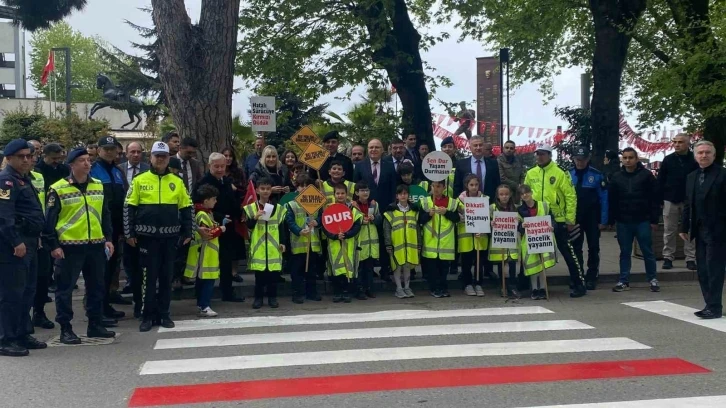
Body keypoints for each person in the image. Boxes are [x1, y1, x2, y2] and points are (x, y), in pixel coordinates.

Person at [44, 147, 116, 344]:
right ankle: (66, 328)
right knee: (64, 289)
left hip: (95, 244)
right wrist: (53, 245)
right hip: (69, 246)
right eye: (82, 160)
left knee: (96, 287)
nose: (87, 163)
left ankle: (95, 324)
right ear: (72, 164)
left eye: (88, 160)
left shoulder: (98, 185)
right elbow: (49, 220)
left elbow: (105, 214)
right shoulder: (58, 188)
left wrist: (108, 238)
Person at [124, 141, 193, 332]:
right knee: (147, 278)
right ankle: (147, 315)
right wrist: (129, 233)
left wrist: (189, 231)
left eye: (163, 156)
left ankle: (164, 314)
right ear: (151, 157)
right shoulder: (139, 180)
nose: (160, 159)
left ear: (168, 158)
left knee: (166, 278)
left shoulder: (177, 182)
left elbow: (187, 208)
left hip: (170, 238)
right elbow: (128, 207)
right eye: (157, 156)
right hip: (146, 238)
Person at [0, 140, 47, 356]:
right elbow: (4, 217)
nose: (27, 159)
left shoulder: (24, 179)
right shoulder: (6, 181)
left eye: (29, 155)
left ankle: (21, 333)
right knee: (12, 293)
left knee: (28, 290)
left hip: (29, 240)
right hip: (13, 245)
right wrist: (16, 241)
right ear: (9, 158)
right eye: (21, 156)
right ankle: (6, 339)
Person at [524, 145, 585, 297]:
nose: (539, 157)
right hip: (537, 219)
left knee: (568, 252)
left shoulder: (560, 173)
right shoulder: (531, 173)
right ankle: (530, 285)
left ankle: (579, 284)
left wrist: (570, 220)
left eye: (543, 154)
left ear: (550, 155)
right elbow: (524, 194)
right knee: (533, 252)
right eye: (537, 154)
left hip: (557, 219)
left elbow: (570, 196)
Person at [680, 140, 726, 319]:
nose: (704, 155)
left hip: (719, 229)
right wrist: (684, 226)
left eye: (707, 152)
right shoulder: (691, 177)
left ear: (714, 156)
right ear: (695, 156)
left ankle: (714, 306)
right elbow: (688, 204)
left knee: (714, 269)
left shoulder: (722, 175)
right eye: (700, 153)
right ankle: (709, 303)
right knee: (703, 269)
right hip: (699, 229)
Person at [193, 153, 246, 303]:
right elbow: (198, 206)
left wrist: (240, 213)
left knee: (226, 261)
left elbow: (233, 201)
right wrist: (219, 216)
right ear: (210, 166)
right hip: (209, 227)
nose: (220, 169)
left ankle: (227, 292)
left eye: (222, 166)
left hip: (227, 228)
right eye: (216, 166)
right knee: (204, 263)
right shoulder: (203, 183)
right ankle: (201, 295)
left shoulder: (227, 181)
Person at [608, 147, 660, 293]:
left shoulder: (647, 176)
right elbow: (612, 200)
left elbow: (654, 199)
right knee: (624, 252)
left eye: (631, 157)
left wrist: (654, 220)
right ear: (622, 160)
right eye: (625, 158)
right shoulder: (616, 177)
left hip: (642, 220)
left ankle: (653, 279)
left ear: (636, 159)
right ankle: (623, 280)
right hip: (623, 221)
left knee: (647, 251)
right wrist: (611, 220)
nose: (628, 160)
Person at [90, 136, 130, 321]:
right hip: (98, 228)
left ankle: (105, 305)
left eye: (112, 149)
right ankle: (97, 310)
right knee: (99, 271)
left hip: (114, 227)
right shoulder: (92, 170)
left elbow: (123, 200)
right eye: (105, 148)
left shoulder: (117, 171)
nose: (109, 151)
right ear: (98, 150)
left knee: (110, 268)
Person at [354, 139, 396, 282]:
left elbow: (393, 189)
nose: (374, 150)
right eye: (371, 147)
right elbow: (356, 188)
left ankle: (385, 270)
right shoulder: (359, 166)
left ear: (382, 149)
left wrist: (391, 207)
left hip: (384, 210)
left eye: (377, 147)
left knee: (384, 240)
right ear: (368, 149)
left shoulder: (390, 166)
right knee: (367, 241)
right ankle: (369, 271)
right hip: (364, 211)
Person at [243, 177, 287, 309]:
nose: (265, 191)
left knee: (273, 277)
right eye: (262, 188)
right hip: (259, 248)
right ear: (257, 190)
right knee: (260, 278)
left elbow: (282, 227)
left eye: (268, 189)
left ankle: (272, 298)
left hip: (274, 248)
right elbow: (248, 227)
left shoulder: (278, 208)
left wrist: (283, 242)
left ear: (271, 190)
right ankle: (258, 298)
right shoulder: (251, 208)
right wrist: (255, 217)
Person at [569, 146, 608, 290]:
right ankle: (577, 276)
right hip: (575, 218)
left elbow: (604, 199)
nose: (580, 162)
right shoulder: (568, 175)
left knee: (593, 247)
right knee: (575, 248)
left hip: (592, 218)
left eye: (583, 159)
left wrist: (603, 220)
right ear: (573, 159)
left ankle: (592, 276)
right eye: (577, 159)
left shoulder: (596, 175)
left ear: (588, 159)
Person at [659, 133, 698, 271]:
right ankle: (668, 257)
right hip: (670, 199)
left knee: (690, 229)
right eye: (674, 142)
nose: (676, 144)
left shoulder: (695, 159)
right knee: (669, 230)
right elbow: (661, 180)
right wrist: (660, 199)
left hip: (689, 199)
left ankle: (691, 258)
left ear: (688, 143)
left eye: (680, 142)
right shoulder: (668, 159)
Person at [185, 184, 224, 317]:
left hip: (208, 254)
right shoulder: (202, 214)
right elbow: (208, 234)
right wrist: (221, 229)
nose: (215, 201)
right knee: (207, 282)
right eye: (213, 199)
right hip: (205, 254)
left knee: (205, 281)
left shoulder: (206, 213)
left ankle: (202, 305)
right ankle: (204, 306)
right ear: (205, 200)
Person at [320, 183, 362, 303]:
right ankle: (337, 292)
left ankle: (346, 292)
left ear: (347, 194)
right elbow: (325, 227)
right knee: (336, 270)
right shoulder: (329, 209)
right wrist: (334, 236)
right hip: (334, 245)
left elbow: (357, 225)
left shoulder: (353, 209)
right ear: (334, 195)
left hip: (349, 245)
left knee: (348, 269)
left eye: (342, 193)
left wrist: (347, 234)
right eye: (337, 193)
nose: (340, 195)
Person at [284, 174, 322, 304]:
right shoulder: (291, 205)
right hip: (298, 243)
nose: (305, 189)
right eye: (302, 186)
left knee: (312, 270)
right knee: (297, 271)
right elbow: (289, 221)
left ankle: (312, 292)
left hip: (312, 243)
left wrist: (317, 222)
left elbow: (321, 217)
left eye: (308, 186)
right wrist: (299, 230)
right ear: (297, 187)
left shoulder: (316, 202)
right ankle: (297, 293)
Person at [420, 179, 459, 298]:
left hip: (446, 242)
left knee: (444, 268)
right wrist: (428, 215)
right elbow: (420, 220)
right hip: (430, 241)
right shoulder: (425, 202)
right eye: (433, 186)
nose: (436, 189)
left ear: (444, 188)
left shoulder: (452, 202)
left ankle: (443, 287)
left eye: (439, 186)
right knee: (432, 269)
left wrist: (446, 212)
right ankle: (434, 288)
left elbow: (457, 218)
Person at [518, 184, 557, 300]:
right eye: (522, 193)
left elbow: (552, 220)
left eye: (527, 192)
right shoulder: (519, 210)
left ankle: (543, 289)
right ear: (520, 196)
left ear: (531, 192)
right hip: (529, 241)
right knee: (533, 266)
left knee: (542, 265)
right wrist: (522, 226)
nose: (525, 195)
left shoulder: (544, 205)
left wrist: (552, 227)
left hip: (543, 238)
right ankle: (534, 289)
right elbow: (518, 227)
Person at [384, 185, 421, 299]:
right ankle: (399, 288)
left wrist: (419, 243)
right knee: (397, 266)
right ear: (397, 196)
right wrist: (388, 244)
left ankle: (407, 287)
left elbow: (418, 229)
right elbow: (386, 229)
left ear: (408, 195)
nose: (403, 196)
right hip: (396, 245)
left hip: (410, 245)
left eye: (405, 193)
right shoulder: (391, 211)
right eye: (401, 194)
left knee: (407, 266)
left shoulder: (414, 211)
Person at [457, 174, 490, 297]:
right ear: (467, 185)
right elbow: (458, 216)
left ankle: (478, 283)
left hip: (480, 235)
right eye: (471, 185)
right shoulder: (459, 200)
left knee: (479, 262)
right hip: (465, 236)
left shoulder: (485, 199)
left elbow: (487, 216)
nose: (474, 187)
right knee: (466, 262)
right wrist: (462, 217)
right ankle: (467, 284)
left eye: (476, 184)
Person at [221, 146, 248, 283]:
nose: (228, 158)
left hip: (236, 211)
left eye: (230, 155)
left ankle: (234, 272)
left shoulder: (238, 172)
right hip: (221, 212)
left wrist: (235, 188)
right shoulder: (218, 171)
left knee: (236, 244)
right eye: (225, 155)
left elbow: (244, 191)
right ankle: (223, 271)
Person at [490, 184, 521, 299]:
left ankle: (512, 285)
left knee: (512, 263)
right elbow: (485, 221)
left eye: (506, 194)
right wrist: (490, 223)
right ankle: (502, 285)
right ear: (497, 196)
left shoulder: (515, 208)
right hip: (499, 241)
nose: (504, 197)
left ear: (510, 195)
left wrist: (519, 222)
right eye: (501, 194)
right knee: (500, 263)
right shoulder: (492, 208)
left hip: (511, 241)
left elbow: (521, 224)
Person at [352, 181, 380, 299]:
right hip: (359, 242)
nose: (365, 193)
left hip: (371, 242)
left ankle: (369, 289)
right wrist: (360, 222)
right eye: (362, 191)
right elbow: (349, 223)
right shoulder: (352, 206)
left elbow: (380, 220)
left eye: (367, 190)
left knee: (369, 268)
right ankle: (359, 291)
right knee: (359, 269)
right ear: (357, 193)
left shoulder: (374, 205)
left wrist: (374, 218)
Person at [453, 135, 501, 199]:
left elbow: (497, 184)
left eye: (480, 145)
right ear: (470, 148)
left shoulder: (493, 163)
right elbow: (457, 186)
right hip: (467, 203)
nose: (478, 148)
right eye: (475, 145)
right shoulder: (461, 164)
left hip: (489, 202)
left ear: (483, 147)